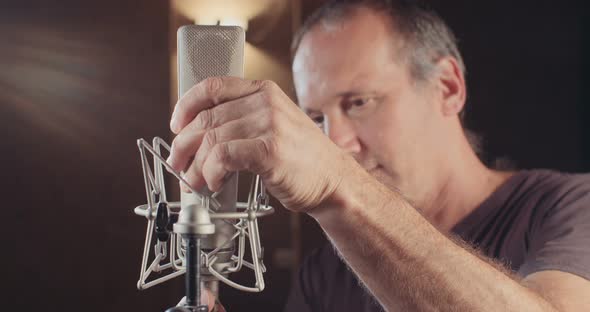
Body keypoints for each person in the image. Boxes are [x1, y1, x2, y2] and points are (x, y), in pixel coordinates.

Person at [166, 0, 590, 311]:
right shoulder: (326, 274)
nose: (337, 143)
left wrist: (335, 184)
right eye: (316, 118)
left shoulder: (572, 207)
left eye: (358, 103)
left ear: (447, 87)